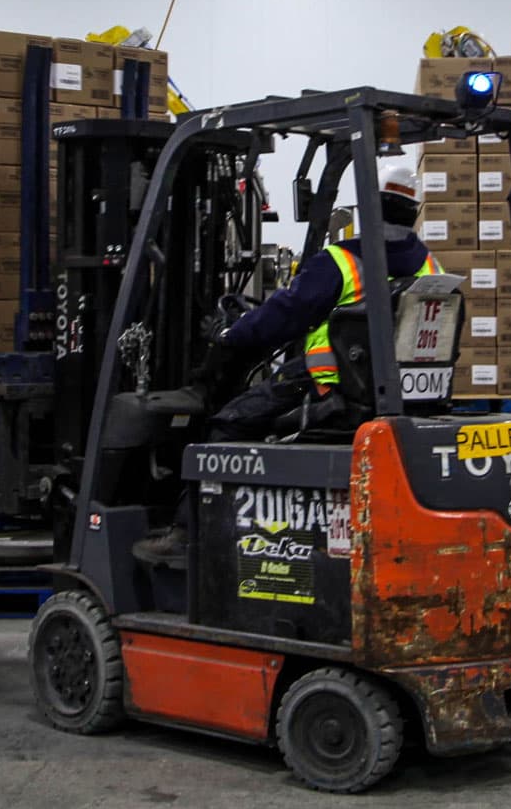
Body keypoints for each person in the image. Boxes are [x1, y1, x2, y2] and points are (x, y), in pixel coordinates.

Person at [133, 157, 439, 568]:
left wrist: (231, 333)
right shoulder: (430, 267)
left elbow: (283, 315)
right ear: (414, 211)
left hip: (329, 391)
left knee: (227, 423)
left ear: (367, 206)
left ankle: (188, 536)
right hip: (399, 398)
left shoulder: (342, 262)